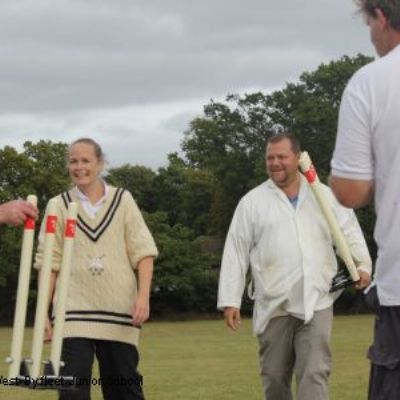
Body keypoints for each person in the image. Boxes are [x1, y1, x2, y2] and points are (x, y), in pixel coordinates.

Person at [218, 132, 372, 400]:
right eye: (270, 158)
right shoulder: (252, 202)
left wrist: (363, 266)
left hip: (318, 299)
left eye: (281, 157)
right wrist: (230, 299)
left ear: (297, 157)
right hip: (273, 304)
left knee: (314, 374)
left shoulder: (324, 195)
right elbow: (236, 251)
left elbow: (349, 233)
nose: (275, 163)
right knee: (274, 379)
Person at [34, 138, 158, 400]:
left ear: (100, 163)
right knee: (71, 392)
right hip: (72, 313)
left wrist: (143, 297)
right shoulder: (57, 205)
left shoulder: (123, 200)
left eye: (86, 160)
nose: (79, 167)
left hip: (119, 312)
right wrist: (42, 313)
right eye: (74, 161)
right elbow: (49, 262)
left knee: (124, 391)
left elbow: (144, 251)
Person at [330, 1, 400, 398]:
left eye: (369, 24)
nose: (371, 35)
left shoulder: (371, 81)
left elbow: (350, 191)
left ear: (383, 17)